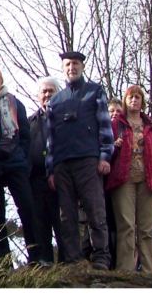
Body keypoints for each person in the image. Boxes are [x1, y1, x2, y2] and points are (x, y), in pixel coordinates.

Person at [46, 50, 115, 269]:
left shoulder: (95, 92)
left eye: (75, 64)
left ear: (82, 66)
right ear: (63, 68)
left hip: (88, 160)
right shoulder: (55, 101)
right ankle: (73, 259)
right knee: (67, 216)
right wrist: (50, 170)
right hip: (62, 164)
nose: (71, 68)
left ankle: (101, 256)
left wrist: (105, 156)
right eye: (67, 65)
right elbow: (50, 140)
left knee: (95, 210)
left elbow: (105, 127)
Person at [106, 85, 152, 272]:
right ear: (125, 101)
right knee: (126, 227)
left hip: (148, 180)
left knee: (146, 229)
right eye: (130, 97)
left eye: (138, 97)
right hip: (123, 179)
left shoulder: (150, 127)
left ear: (142, 101)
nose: (134, 100)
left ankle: (149, 271)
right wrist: (114, 146)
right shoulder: (116, 124)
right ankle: (125, 271)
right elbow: (104, 148)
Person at [0, 66, 37, 262]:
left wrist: (23, 160)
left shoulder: (15, 103)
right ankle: (2, 261)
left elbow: (26, 135)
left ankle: (36, 256)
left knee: (27, 208)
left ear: (1, 78)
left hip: (15, 162)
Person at [28, 76, 61, 263]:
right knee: (40, 225)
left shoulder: (65, 120)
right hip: (36, 180)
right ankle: (44, 264)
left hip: (60, 179)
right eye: (44, 91)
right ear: (38, 95)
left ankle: (67, 264)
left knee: (62, 225)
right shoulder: (30, 121)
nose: (47, 95)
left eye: (51, 91)